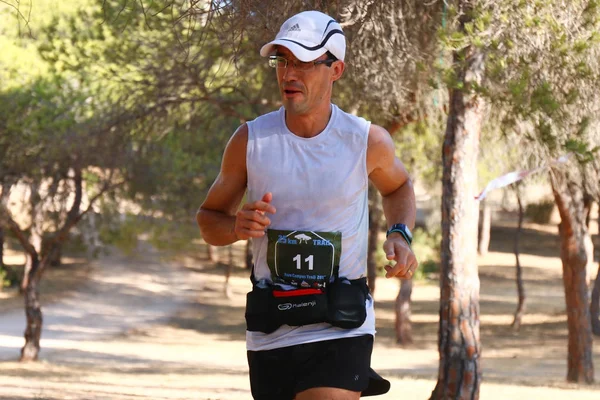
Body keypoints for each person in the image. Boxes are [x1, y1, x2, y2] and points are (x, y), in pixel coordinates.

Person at [197, 10, 418, 400]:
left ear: (336, 69)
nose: (288, 73)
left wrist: (400, 234)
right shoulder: (251, 140)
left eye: (302, 62)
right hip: (272, 326)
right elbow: (208, 220)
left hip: (341, 322)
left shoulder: (366, 141)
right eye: (282, 60)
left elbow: (398, 188)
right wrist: (236, 228)